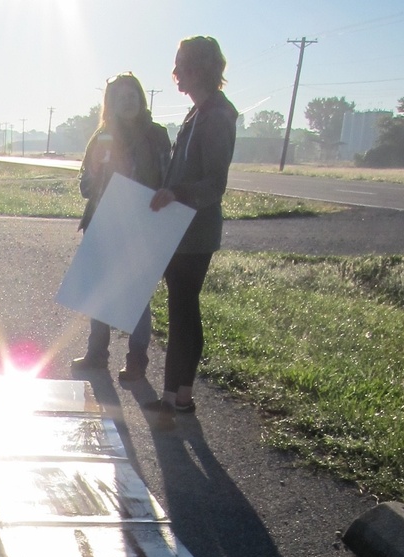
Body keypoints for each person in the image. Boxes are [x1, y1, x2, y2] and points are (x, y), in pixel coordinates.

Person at [147, 36, 237, 419]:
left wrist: (177, 194)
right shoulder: (197, 112)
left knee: (184, 310)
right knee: (182, 309)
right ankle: (177, 395)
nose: (176, 71)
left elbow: (215, 185)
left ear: (200, 68)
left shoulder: (216, 115)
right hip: (179, 228)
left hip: (194, 232)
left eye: (181, 63)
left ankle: (176, 398)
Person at [71, 74, 170, 382]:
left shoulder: (156, 136)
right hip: (102, 222)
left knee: (136, 295)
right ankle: (97, 354)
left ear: (141, 100)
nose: (128, 101)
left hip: (140, 225)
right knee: (99, 293)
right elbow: (85, 187)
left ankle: (137, 360)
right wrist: (97, 169)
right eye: (120, 97)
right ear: (110, 103)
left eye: (133, 96)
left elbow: (167, 180)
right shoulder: (101, 136)